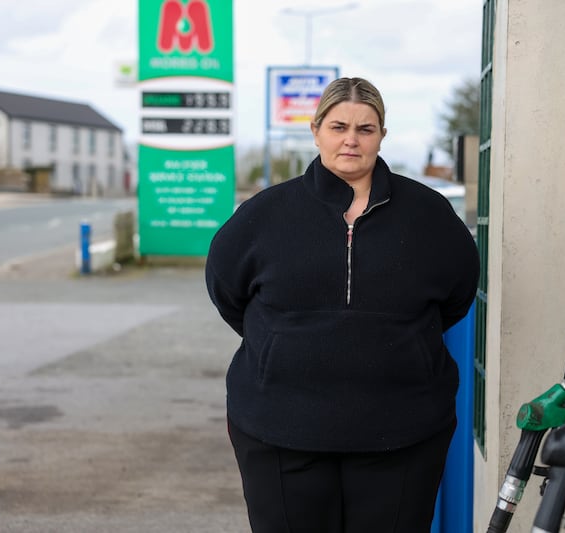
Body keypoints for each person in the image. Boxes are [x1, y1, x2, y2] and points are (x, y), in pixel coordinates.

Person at [205, 77, 479, 533]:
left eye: (365, 128)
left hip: (402, 436)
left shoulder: (430, 216)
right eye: (338, 126)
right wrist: (280, 345)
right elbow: (226, 291)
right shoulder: (264, 215)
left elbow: (457, 294)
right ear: (316, 131)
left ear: (382, 136)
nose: (351, 139)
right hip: (280, 433)